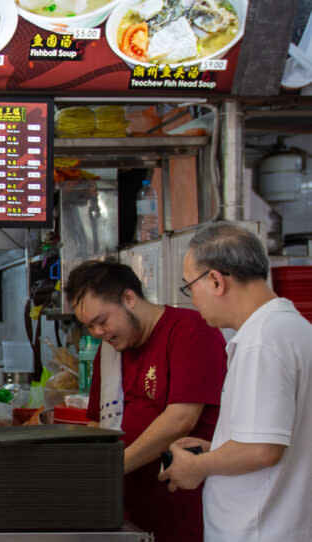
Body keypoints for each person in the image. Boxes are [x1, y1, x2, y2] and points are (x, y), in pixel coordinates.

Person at [159, 222, 312, 541]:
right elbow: (275, 437)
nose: (192, 300)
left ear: (215, 280)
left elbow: (262, 450)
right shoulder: (293, 328)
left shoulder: (262, 341)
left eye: (189, 287)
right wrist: (217, 449)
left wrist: (199, 467)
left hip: (259, 531)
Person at [64, 260, 227, 541]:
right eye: (88, 326)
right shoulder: (112, 350)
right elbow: (97, 424)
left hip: (184, 512)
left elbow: (180, 419)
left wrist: (111, 469)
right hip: (127, 515)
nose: (97, 334)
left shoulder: (190, 330)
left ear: (129, 298)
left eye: (102, 321)